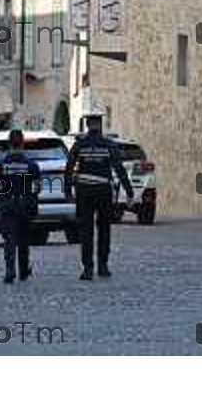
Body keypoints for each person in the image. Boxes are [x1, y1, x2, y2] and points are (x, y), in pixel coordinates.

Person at [65, 112, 134, 280]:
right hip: (103, 191)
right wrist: (129, 192)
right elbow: (119, 168)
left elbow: (69, 168)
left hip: (84, 191)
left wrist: (67, 190)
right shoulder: (109, 145)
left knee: (86, 231)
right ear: (100, 125)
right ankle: (103, 266)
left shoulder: (80, 145)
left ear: (87, 125)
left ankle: (87, 268)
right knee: (104, 229)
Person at [0, 129, 41, 284]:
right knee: (23, 241)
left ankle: (9, 270)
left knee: (9, 240)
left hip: (8, 206)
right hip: (25, 205)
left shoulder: (1, 166)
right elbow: (37, 187)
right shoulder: (31, 165)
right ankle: (23, 271)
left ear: (9, 144)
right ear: (22, 143)